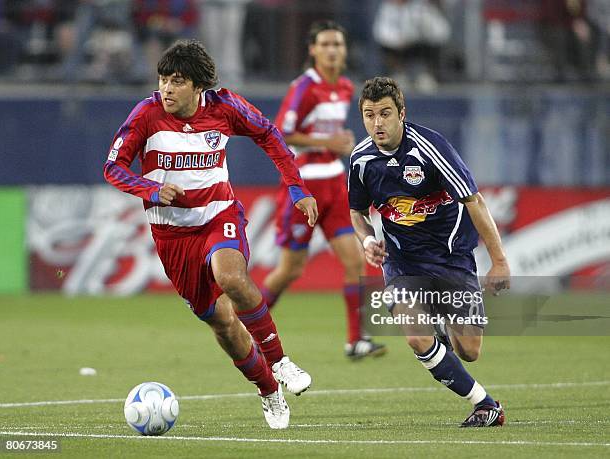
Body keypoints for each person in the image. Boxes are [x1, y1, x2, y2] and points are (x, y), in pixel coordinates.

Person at [104, 40, 318, 430]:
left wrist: (296, 187)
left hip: (219, 216)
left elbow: (269, 134)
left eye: (177, 81)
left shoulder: (224, 106)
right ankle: (269, 390)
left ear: (198, 86)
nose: (167, 89)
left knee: (232, 277)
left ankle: (281, 360)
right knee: (222, 324)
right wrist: (149, 189)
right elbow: (113, 167)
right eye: (163, 79)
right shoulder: (146, 115)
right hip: (172, 237)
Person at [349, 77, 510, 427]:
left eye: (385, 114)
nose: (377, 123)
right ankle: (485, 404)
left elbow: (475, 201)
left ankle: (440, 330)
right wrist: (366, 241)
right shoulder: (361, 160)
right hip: (402, 262)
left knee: (470, 351)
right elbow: (357, 213)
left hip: (451, 257)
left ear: (402, 114)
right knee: (415, 334)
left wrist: (499, 261)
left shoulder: (430, 148)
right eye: (369, 115)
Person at [260, 20, 387, 360]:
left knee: (355, 260)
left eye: (338, 45)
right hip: (304, 185)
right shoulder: (304, 87)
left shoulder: (345, 87)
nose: (333, 50)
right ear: (313, 50)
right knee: (291, 270)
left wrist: (339, 143)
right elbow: (280, 132)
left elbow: (327, 133)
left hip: (334, 181)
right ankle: (248, 323)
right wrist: (326, 141)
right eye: (326, 45)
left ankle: (355, 340)